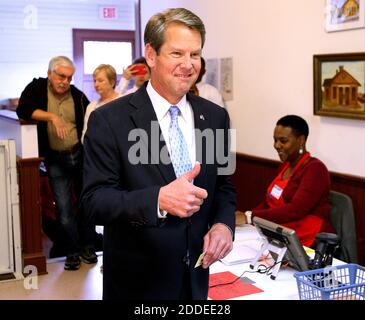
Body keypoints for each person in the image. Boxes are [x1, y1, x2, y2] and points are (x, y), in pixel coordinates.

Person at [81, 8, 236, 300]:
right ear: (151, 55)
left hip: (196, 282)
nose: (189, 65)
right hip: (137, 284)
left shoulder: (216, 117)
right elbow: (93, 201)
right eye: (177, 54)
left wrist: (223, 225)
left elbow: (224, 186)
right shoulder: (108, 119)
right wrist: (157, 200)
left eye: (195, 54)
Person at [16, 56, 98, 270]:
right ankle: (71, 251)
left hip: (80, 156)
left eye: (69, 78)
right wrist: (52, 117)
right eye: (61, 76)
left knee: (86, 203)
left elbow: (91, 120)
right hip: (55, 159)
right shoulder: (37, 88)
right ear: (50, 73)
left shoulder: (78, 96)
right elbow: (23, 109)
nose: (65, 81)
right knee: (64, 209)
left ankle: (88, 246)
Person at [244, 115, 334, 247]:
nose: (276, 145)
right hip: (282, 232)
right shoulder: (286, 165)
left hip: (309, 241)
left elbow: (296, 210)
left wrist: (252, 217)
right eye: (275, 140)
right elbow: (268, 202)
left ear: (301, 140)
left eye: (283, 141)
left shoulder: (315, 169)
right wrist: (247, 217)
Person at [81, 64, 121, 143]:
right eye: (94, 81)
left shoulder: (124, 102)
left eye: (100, 81)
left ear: (112, 82)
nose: (96, 84)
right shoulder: (91, 107)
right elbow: (84, 137)